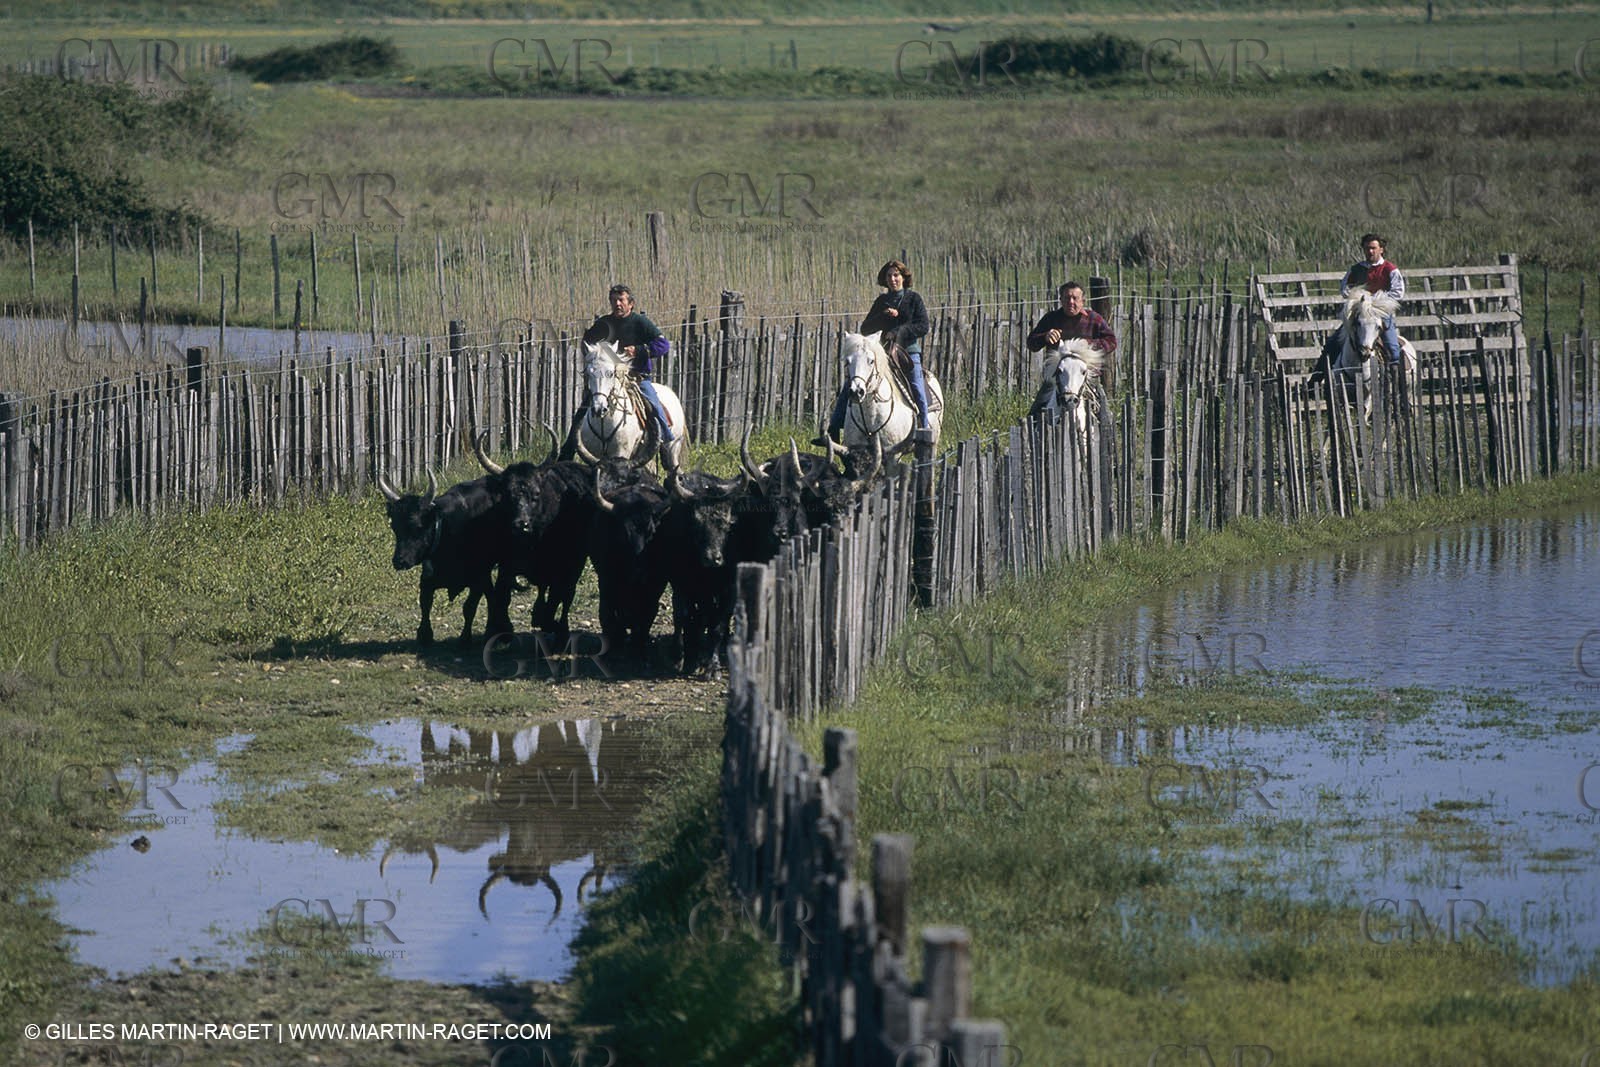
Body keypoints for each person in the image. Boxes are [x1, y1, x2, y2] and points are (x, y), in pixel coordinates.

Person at [819, 259, 931, 445]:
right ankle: (834, 430)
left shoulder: (914, 299)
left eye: (896, 275)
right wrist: (882, 316)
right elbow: (865, 328)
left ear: (903, 277)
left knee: (916, 385)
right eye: (889, 276)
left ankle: (924, 431)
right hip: (881, 353)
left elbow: (923, 325)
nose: (893, 279)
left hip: (907, 352)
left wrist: (899, 331)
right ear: (885, 279)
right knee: (850, 385)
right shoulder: (881, 301)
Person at [559, 284, 673, 461]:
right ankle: (567, 452)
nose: (617, 304)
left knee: (653, 405)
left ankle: (665, 444)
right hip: (607, 378)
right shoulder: (603, 324)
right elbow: (587, 342)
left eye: (621, 300)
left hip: (636, 378)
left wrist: (639, 350)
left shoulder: (641, 322)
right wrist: (597, 356)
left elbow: (663, 345)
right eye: (613, 300)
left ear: (631, 304)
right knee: (583, 410)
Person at [1026, 282, 1117, 415]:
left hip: (1087, 379)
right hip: (1056, 380)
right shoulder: (1051, 319)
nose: (1071, 302)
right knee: (1036, 413)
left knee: (1104, 416)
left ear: (1083, 301)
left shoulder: (1094, 319)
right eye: (1067, 298)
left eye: (1075, 298)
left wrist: (1088, 345)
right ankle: (1032, 427)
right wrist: (1045, 336)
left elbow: (1111, 341)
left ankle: (1106, 427)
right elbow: (1031, 343)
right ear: (1060, 300)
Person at [1339, 233, 1404, 366]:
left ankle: (1396, 375)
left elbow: (1398, 292)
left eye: (1373, 248)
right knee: (1332, 344)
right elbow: (1345, 289)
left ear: (1381, 249)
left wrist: (1375, 301)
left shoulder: (1390, 269)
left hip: (1381, 313)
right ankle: (1319, 376)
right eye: (1367, 248)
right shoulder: (1356, 269)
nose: (1370, 251)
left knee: (1393, 349)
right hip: (1359, 313)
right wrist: (1358, 298)